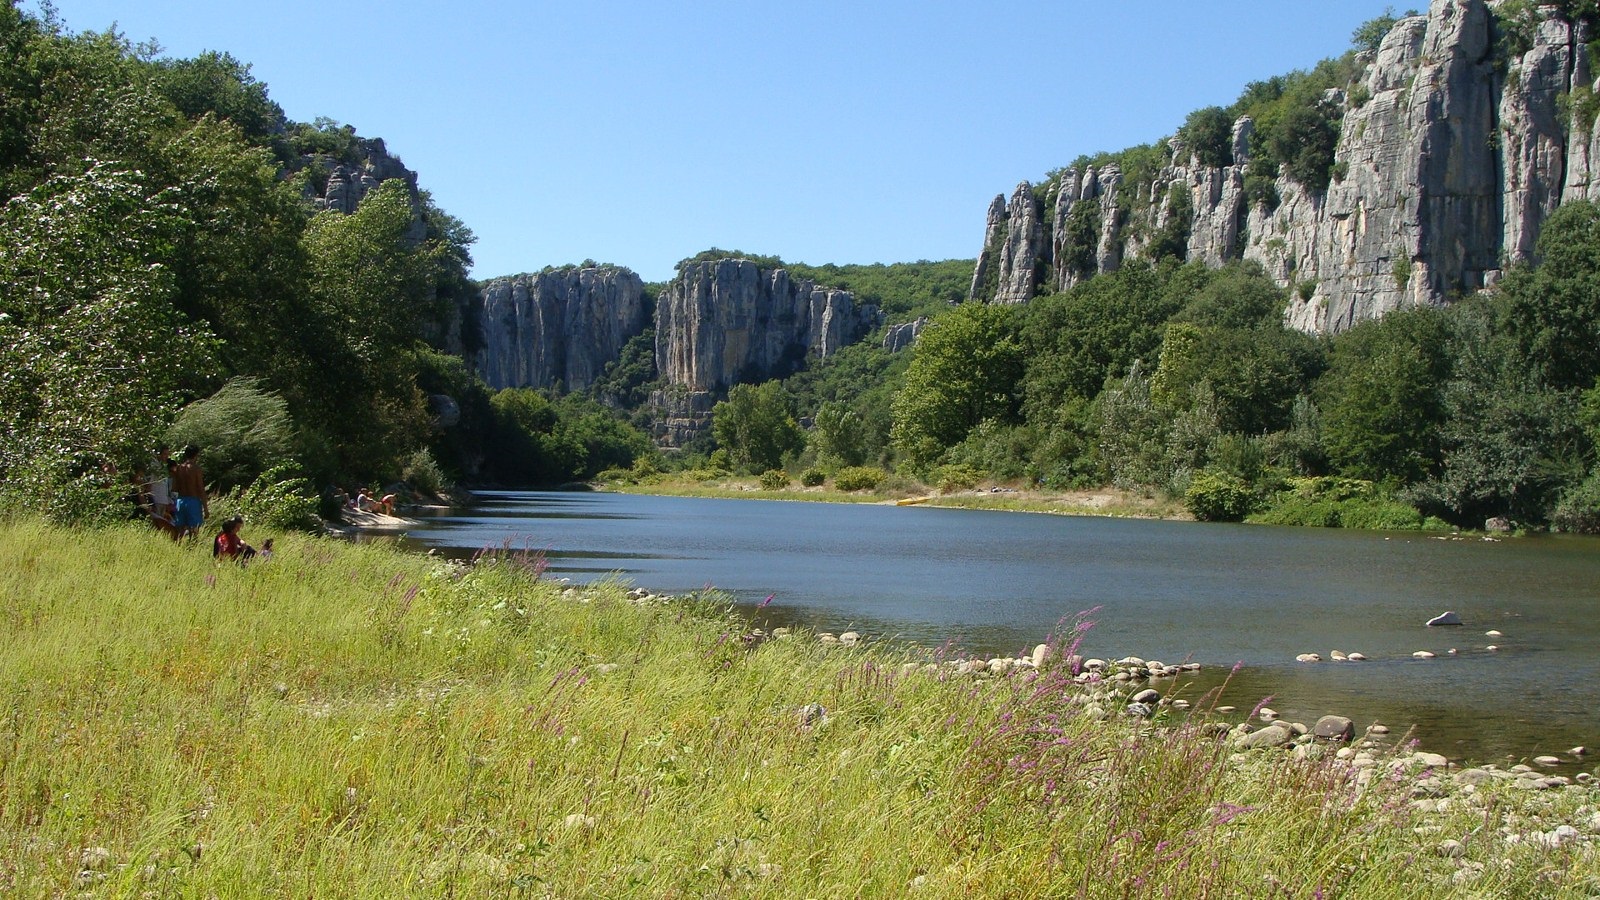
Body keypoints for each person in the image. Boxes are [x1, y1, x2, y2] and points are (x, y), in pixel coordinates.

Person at [170, 445, 207, 541]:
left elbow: (174, 487)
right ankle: (192, 549)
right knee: (194, 529)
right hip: (193, 501)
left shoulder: (179, 468)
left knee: (179, 530)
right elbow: (200, 488)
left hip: (180, 500)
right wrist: (205, 508)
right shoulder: (196, 469)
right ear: (196, 455)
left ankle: (176, 548)